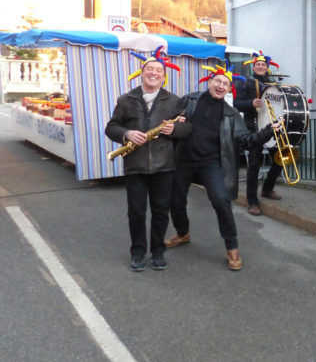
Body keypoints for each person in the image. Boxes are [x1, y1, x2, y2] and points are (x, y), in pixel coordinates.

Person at [164, 64, 275, 271]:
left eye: (225, 83)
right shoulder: (190, 100)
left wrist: (267, 132)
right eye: (218, 81)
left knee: (221, 201)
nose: (221, 85)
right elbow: (170, 120)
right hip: (183, 160)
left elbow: (246, 141)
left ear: (229, 89)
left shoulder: (232, 114)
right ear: (210, 82)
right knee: (175, 200)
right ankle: (182, 232)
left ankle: (232, 247)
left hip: (211, 163)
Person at [105, 48, 189, 272]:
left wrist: (175, 129)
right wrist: (127, 134)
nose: (154, 73)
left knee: (161, 211)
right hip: (135, 165)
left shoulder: (174, 101)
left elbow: (187, 127)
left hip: (164, 166)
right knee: (136, 211)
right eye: (149, 69)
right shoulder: (126, 99)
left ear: (164, 76)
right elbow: (111, 127)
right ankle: (138, 252)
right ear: (142, 73)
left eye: (158, 70)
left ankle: (158, 251)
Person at [234, 51, 283, 216]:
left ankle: (267, 189)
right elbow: (237, 104)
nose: (261, 66)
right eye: (258, 65)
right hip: (252, 127)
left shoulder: (273, 84)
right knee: (253, 166)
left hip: (270, 127)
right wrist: (250, 103)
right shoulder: (245, 83)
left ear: (267, 67)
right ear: (253, 67)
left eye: (263, 65)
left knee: (279, 158)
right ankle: (252, 202)